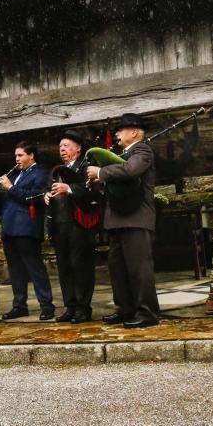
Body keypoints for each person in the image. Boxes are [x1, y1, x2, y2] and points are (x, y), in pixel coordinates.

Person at [86, 113, 161, 328]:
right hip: (117, 219)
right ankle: (125, 309)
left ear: (134, 132)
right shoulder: (120, 155)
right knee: (117, 269)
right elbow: (117, 182)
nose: (116, 134)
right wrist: (97, 182)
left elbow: (131, 170)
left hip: (136, 218)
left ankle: (147, 313)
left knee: (139, 269)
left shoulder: (142, 150)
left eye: (121, 130)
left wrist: (101, 172)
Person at [44, 130, 99, 323]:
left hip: (80, 224)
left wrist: (68, 188)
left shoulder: (87, 167)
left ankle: (83, 308)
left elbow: (95, 194)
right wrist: (47, 196)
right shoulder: (58, 170)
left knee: (81, 266)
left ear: (78, 148)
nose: (62, 150)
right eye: (60, 147)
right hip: (60, 226)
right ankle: (70, 306)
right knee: (65, 268)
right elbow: (52, 192)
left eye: (66, 146)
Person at [0, 141, 55, 321]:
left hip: (27, 228)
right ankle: (19, 305)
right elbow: (11, 198)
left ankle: (46, 305)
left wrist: (10, 188)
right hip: (10, 227)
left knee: (35, 268)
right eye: (16, 156)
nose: (17, 159)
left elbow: (35, 197)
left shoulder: (41, 173)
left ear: (31, 155)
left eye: (20, 155)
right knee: (15, 270)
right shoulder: (16, 174)